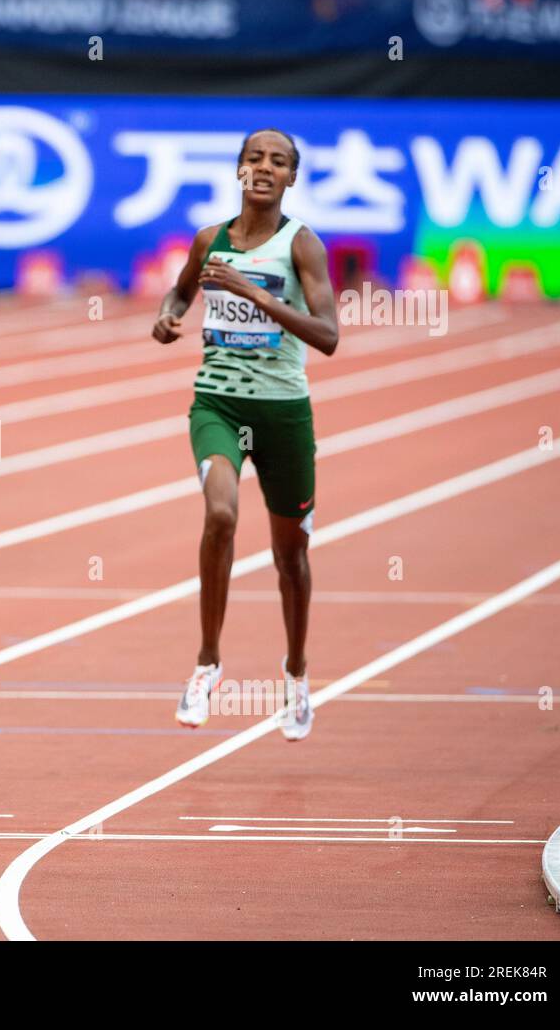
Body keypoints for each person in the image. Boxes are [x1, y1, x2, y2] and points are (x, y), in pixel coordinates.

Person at [152, 128, 339, 742]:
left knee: (291, 555)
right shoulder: (210, 241)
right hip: (219, 406)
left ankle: (297, 672)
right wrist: (168, 317)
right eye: (254, 158)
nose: (263, 168)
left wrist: (253, 293)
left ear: (291, 177)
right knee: (222, 516)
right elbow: (179, 292)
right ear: (238, 169)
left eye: (277, 161)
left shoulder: (302, 245)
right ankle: (207, 663)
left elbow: (328, 335)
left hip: (284, 413)